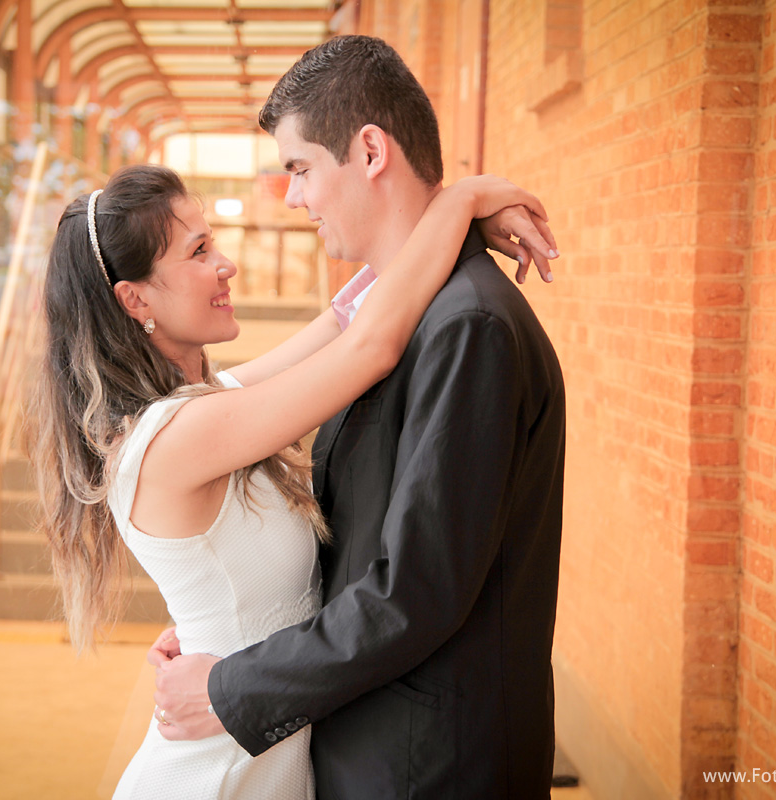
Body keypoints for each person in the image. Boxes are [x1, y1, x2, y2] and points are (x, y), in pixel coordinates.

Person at [30, 160, 554, 799]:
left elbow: (344, 320)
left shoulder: (205, 403)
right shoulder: (178, 436)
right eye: (198, 252)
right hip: (220, 768)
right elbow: (369, 349)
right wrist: (464, 199)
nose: (225, 264)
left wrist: (426, 219)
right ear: (136, 299)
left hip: (259, 735)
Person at [151, 35, 566, 799]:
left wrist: (231, 685)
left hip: (428, 765)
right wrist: (235, 627)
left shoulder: (467, 327)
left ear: (370, 151)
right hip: (378, 747)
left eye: (300, 168)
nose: (294, 198)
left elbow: (415, 590)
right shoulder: (405, 316)